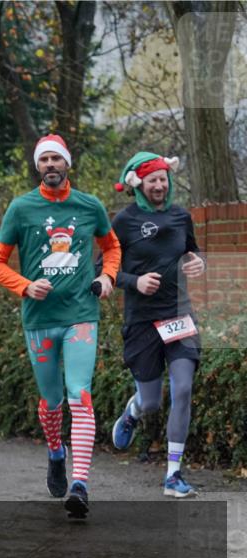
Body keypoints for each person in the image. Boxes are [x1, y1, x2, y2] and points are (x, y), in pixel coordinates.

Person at [0, 134, 121, 519]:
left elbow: (111, 247)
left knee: (80, 394)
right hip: (39, 321)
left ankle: (80, 484)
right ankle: (55, 452)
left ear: (67, 164)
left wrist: (108, 277)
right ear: (37, 166)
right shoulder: (21, 208)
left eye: (55, 159)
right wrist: (26, 285)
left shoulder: (89, 205)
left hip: (81, 316)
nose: (50, 165)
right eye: (43, 159)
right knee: (51, 401)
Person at [109, 152, 205, 498]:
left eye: (164, 179)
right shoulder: (123, 221)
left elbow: (193, 252)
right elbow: (102, 269)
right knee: (152, 401)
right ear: (139, 184)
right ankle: (133, 411)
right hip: (142, 322)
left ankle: (173, 475)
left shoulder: (181, 217)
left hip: (179, 315)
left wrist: (198, 263)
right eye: (153, 180)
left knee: (182, 389)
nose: (160, 185)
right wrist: (134, 282)